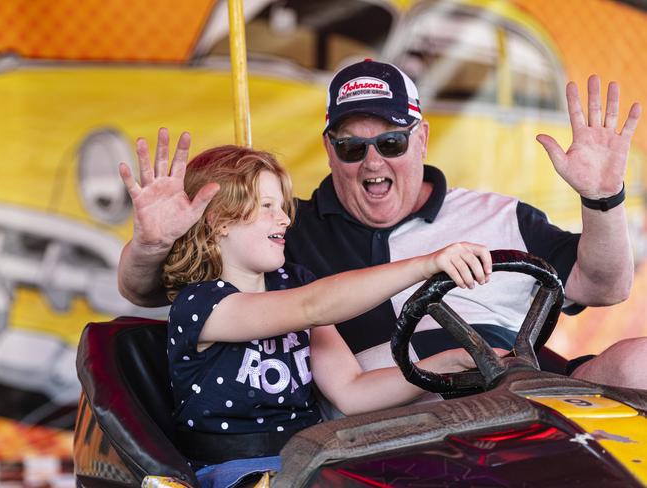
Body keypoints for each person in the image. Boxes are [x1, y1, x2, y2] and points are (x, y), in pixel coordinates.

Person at [117, 59, 647, 392]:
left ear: (421, 139)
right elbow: (152, 290)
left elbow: (605, 286)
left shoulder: (499, 215)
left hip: (527, 387)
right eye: (351, 147)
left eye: (390, 142)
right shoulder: (283, 232)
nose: (372, 164)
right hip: (391, 426)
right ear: (329, 149)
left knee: (638, 363)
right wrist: (153, 243)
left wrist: (603, 199)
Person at [157, 143, 498, 487]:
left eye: (282, 206)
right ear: (220, 221)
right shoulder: (200, 304)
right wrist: (426, 264)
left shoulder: (293, 281)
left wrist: (446, 364)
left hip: (309, 457)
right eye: (266, 207)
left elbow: (352, 392)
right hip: (234, 471)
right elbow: (313, 306)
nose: (285, 218)